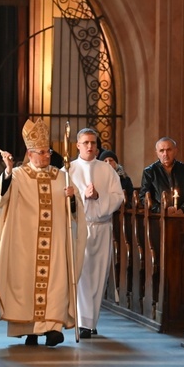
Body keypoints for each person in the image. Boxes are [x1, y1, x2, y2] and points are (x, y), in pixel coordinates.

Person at [0, 118, 87, 347]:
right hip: (25, 244)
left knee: (55, 284)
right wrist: (8, 172)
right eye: (41, 152)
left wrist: (72, 199)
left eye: (48, 151)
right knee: (26, 284)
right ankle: (29, 329)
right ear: (30, 154)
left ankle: (52, 329)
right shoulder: (18, 175)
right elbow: (0, 198)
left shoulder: (62, 176)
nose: (47, 156)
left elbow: (77, 212)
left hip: (55, 245)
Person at [69, 128, 124, 338]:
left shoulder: (107, 169)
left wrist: (99, 196)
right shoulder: (69, 169)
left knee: (98, 274)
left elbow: (118, 197)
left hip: (101, 226)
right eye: (85, 143)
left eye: (93, 142)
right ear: (78, 145)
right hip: (79, 228)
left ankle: (91, 321)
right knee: (82, 274)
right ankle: (83, 321)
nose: (90, 146)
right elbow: (63, 199)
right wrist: (83, 196)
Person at [139, 137, 184, 213]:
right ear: (157, 153)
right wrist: (161, 209)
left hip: (182, 215)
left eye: (169, 150)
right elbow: (144, 197)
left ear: (175, 151)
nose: (165, 154)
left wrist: (183, 209)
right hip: (159, 217)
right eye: (161, 151)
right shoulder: (150, 171)